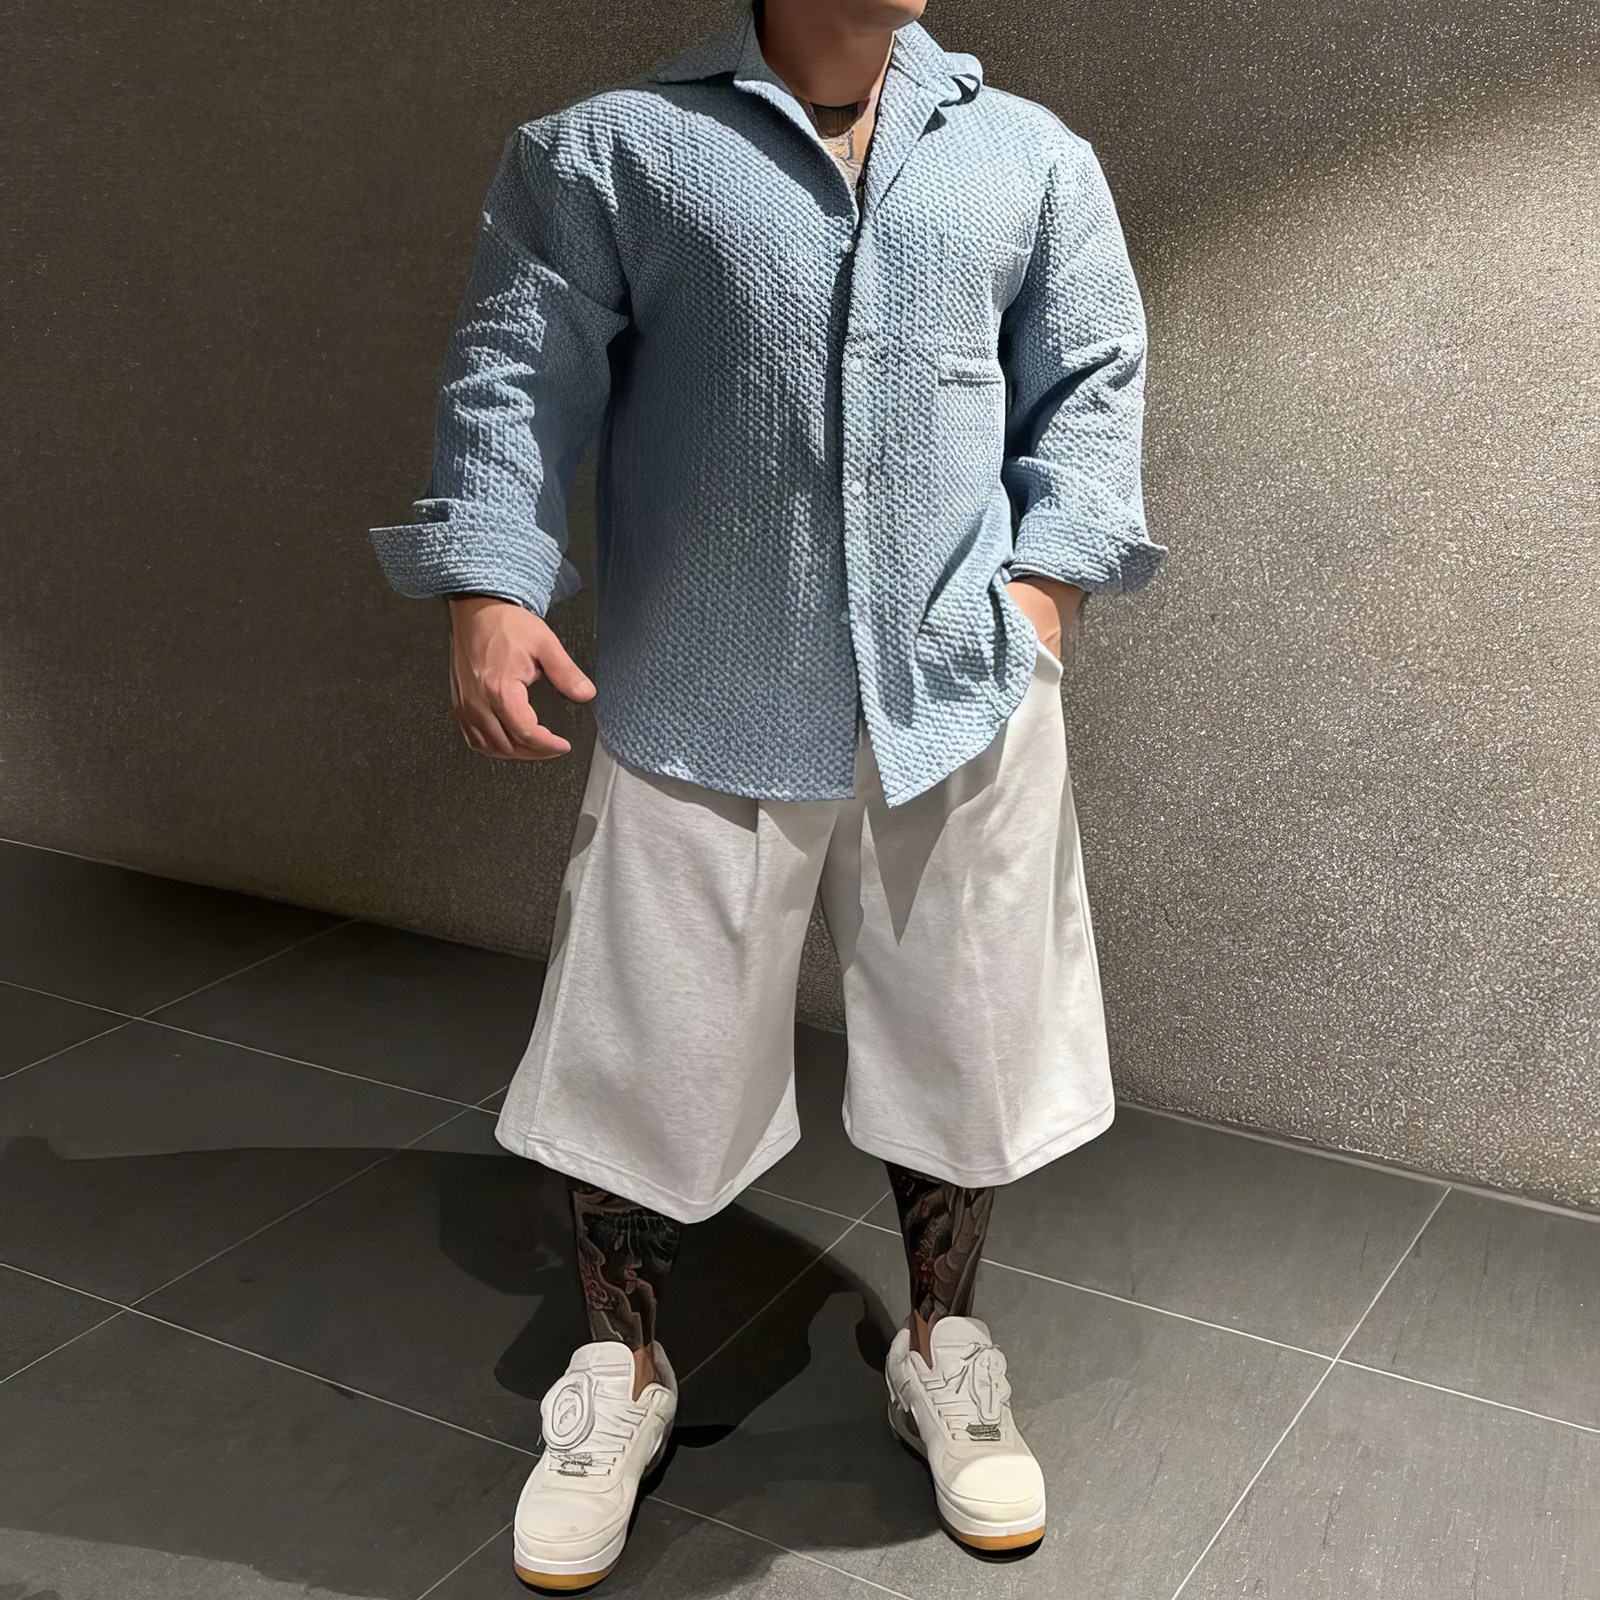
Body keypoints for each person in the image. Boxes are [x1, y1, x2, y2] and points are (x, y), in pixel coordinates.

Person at [370, 0, 1165, 1587]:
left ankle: (944, 1344)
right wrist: (490, 582)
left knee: (969, 1031)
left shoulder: (1030, 158)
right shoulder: (613, 154)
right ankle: (621, 1369)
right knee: (642, 1048)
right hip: (705, 690)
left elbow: (1092, 377)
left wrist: (1044, 596)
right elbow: (514, 372)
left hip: (961, 696)